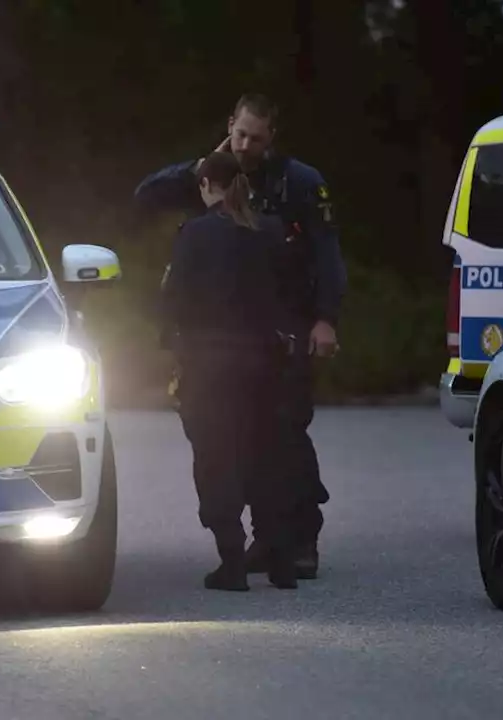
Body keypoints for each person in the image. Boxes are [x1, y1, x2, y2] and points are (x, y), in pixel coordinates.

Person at [136, 93, 347, 579]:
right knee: (234, 438)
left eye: (256, 137)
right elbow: (145, 196)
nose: (246, 144)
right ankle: (265, 539)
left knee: (285, 432)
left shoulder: (298, 183)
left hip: (285, 322)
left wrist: (326, 318)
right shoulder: (212, 176)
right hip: (226, 333)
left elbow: (327, 257)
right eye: (240, 134)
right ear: (229, 125)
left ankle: (300, 538)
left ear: (273, 137)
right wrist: (197, 168)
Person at [160, 151, 302, 591]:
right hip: (266, 363)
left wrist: (168, 347)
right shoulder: (271, 232)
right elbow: (291, 293)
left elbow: (174, 300)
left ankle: (232, 560)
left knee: (217, 459)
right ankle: (281, 560)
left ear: (206, 186)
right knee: (268, 457)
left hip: (209, 366)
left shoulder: (195, 235)